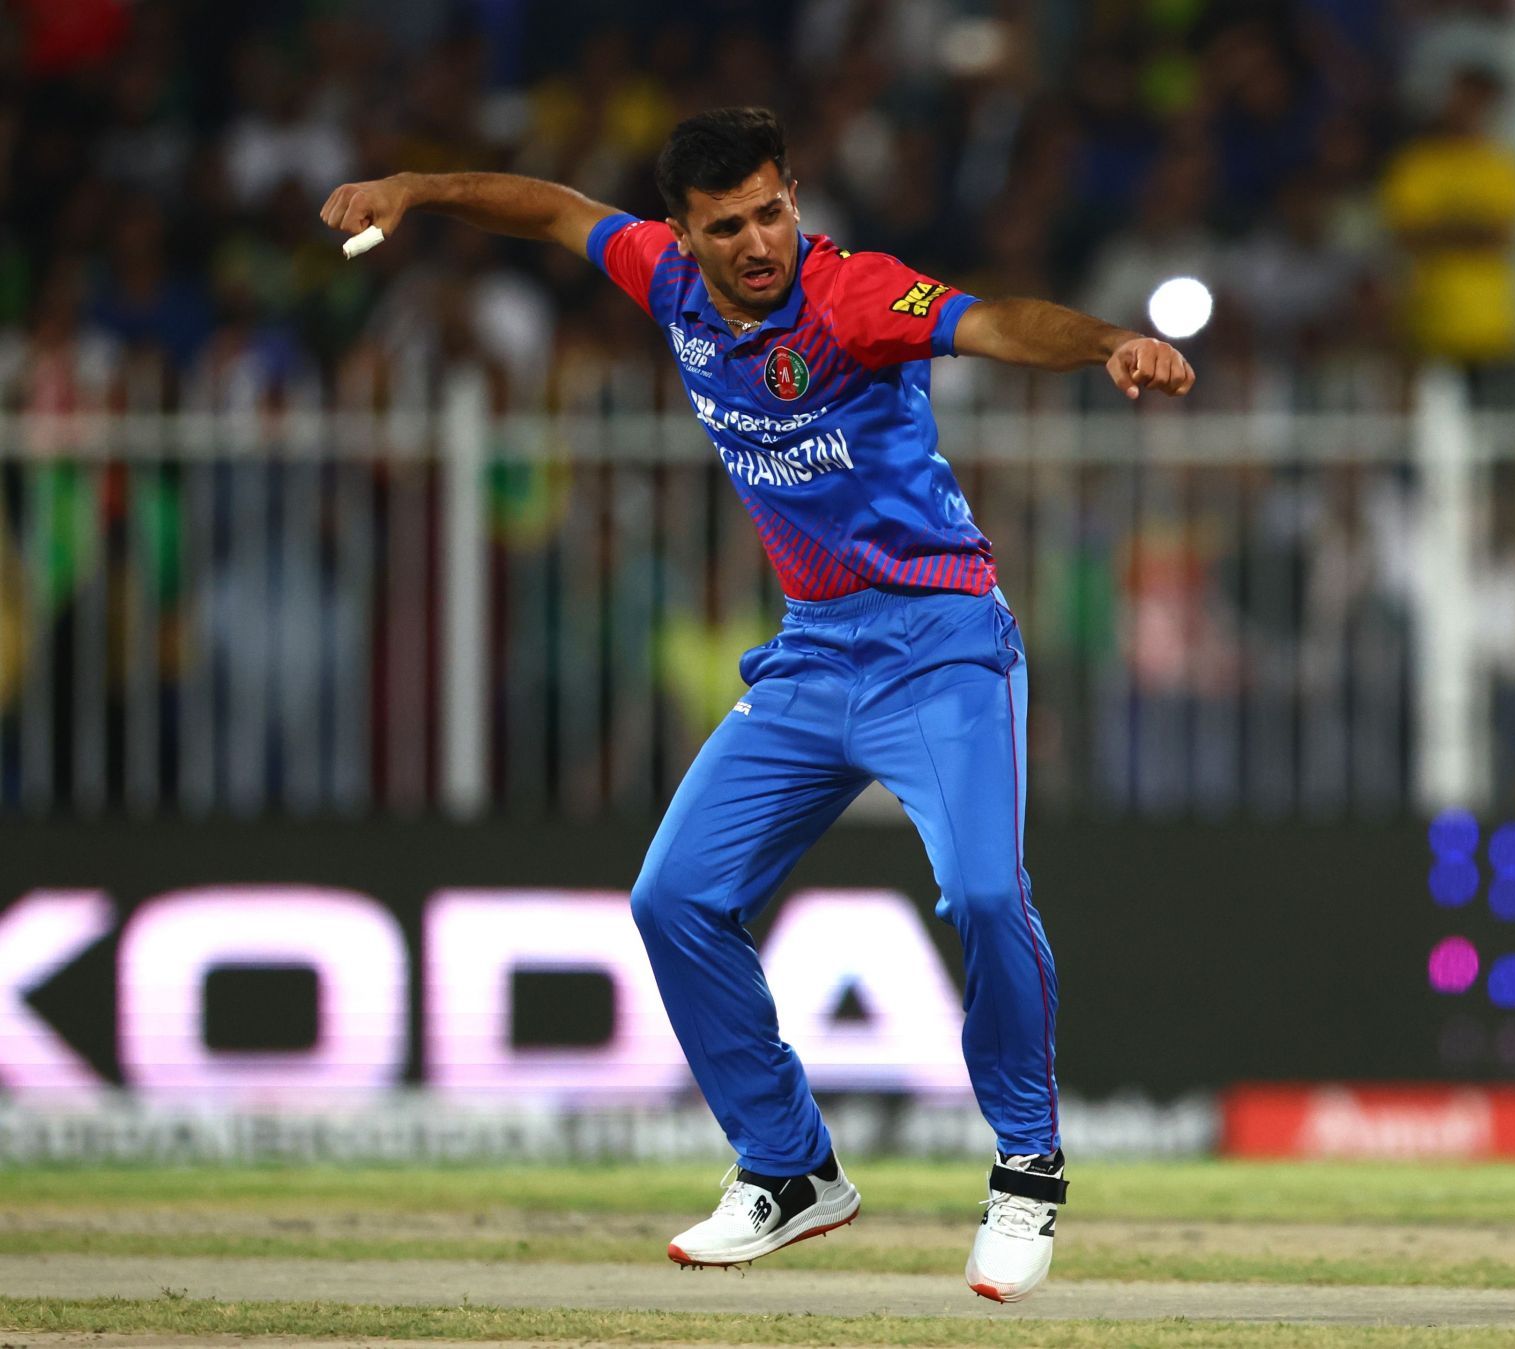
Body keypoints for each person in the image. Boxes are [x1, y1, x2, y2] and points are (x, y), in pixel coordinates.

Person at [320, 106, 1194, 1303]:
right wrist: (416, 186)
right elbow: (551, 208)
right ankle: (788, 1168)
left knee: (987, 892)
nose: (757, 242)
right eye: (726, 224)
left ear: (797, 198)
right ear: (684, 232)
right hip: (813, 653)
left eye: (773, 211)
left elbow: (990, 322)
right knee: (673, 897)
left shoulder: (849, 298)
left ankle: (1027, 1166)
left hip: (939, 641)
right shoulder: (664, 279)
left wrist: (1107, 345)